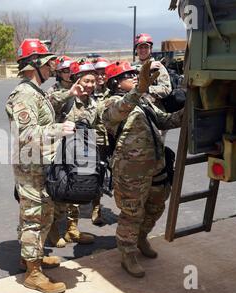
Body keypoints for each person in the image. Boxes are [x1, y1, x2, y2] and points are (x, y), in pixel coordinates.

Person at [5, 38, 75, 293]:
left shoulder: (35, 92)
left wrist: (70, 93)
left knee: (42, 213)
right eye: (47, 63)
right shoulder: (23, 94)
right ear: (34, 64)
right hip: (31, 167)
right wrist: (59, 128)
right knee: (35, 217)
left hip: (39, 165)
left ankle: (31, 258)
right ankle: (32, 273)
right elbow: (26, 133)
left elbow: (46, 109)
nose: (51, 69)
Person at [103, 60, 183, 278]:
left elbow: (164, 120)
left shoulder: (144, 102)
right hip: (131, 172)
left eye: (135, 74)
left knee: (157, 205)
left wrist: (187, 112)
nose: (135, 77)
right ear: (116, 83)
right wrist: (140, 89)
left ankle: (141, 237)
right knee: (132, 213)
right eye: (129, 76)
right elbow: (117, 113)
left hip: (156, 165)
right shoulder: (110, 102)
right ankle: (127, 253)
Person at [47, 59, 102, 248]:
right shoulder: (66, 97)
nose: (90, 85)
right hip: (63, 151)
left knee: (78, 192)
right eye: (86, 80)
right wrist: (69, 93)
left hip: (84, 151)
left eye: (93, 81)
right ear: (76, 79)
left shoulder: (94, 101)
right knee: (61, 192)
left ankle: (72, 229)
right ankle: (53, 228)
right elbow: (48, 105)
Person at [90, 57, 112, 225]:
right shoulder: (88, 91)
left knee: (105, 172)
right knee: (93, 173)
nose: (100, 76)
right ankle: (95, 208)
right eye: (97, 73)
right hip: (93, 139)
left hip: (110, 139)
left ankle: (98, 205)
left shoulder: (113, 90)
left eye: (103, 73)